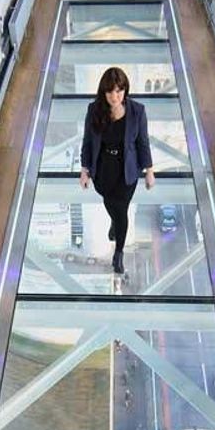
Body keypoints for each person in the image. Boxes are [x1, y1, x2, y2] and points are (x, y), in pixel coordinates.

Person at [80, 67, 156, 275]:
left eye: (119, 91)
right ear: (103, 92)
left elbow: (143, 143)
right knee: (109, 202)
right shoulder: (94, 110)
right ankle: (114, 221)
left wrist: (149, 170)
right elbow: (87, 142)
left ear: (125, 91)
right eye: (110, 92)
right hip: (103, 167)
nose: (115, 96)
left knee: (121, 211)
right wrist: (85, 169)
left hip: (127, 169)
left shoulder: (137, 111)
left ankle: (119, 252)